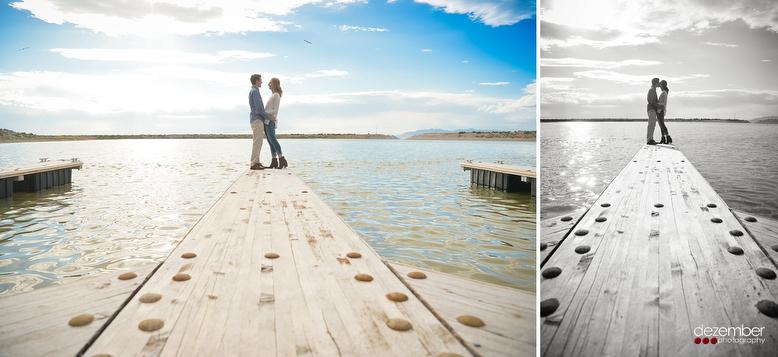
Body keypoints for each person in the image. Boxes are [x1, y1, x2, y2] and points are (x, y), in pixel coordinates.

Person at [248, 74, 271, 170]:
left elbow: (258, 109)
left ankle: (256, 162)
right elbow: (259, 108)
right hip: (257, 120)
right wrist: (268, 117)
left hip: (256, 119)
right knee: (258, 142)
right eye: (260, 80)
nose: (261, 82)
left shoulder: (254, 91)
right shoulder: (255, 92)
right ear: (257, 80)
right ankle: (254, 163)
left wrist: (258, 111)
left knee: (258, 142)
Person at [264, 78, 287, 169]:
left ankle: (282, 159)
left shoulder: (276, 95)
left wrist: (264, 112)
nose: (268, 84)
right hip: (266, 121)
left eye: (270, 83)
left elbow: (275, 110)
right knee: (270, 142)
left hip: (270, 121)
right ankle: (274, 161)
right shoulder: (272, 95)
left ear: (274, 84)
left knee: (273, 140)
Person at [657, 80, 673, 144]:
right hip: (659, 110)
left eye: (660, 84)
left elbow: (664, 103)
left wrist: (656, 103)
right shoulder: (663, 92)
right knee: (660, 125)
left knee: (662, 124)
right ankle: (663, 138)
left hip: (661, 110)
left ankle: (668, 137)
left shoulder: (664, 92)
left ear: (662, 85)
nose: (659, 86)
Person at [646, 78, 661, 145]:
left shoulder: (653, 90)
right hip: (651, 109)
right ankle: (649, 140)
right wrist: (660, 106)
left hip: (653, 109)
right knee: (651, 124)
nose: (659, 84)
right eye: (659, 83)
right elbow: (652, 101)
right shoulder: (652, 90)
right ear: (656, 83)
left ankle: (651, 139)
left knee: (653, 124)